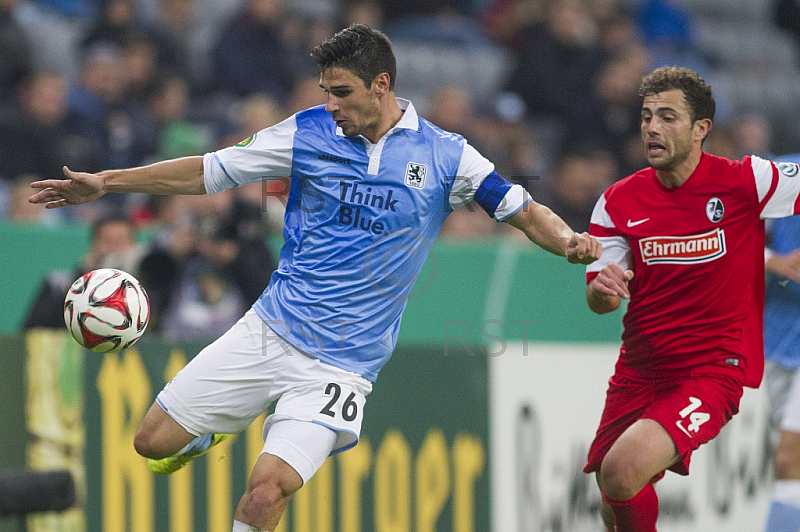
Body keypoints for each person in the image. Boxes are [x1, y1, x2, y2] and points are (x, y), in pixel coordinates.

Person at [29, 24, 601, 531]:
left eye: (342, 92)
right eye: (326, 91)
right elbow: (208, 172)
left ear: (382, 85)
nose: (331, 104)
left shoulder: (448, 156)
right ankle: (209, 431)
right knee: (150, 442)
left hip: (342, 366)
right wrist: (108, 182)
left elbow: (523, 210)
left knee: (266, 488)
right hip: (269, 330)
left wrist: (571, 242)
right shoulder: (306, 133)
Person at [584, 66, 800, 532]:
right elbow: (599, 299)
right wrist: (603, 289)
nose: (652, 128)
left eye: (668, 117)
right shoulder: (618, 202)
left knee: (621, 472)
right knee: (612, 492)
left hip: (711, 371)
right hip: (639, 370)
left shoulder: (748, 181)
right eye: (646, 117)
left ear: (702, 128)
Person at [761, 155, 800, 532]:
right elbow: (720, 232)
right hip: (776, 337)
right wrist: (771, 259)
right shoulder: (780, 173)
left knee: (788, 461)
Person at [24, 214, 144, 328]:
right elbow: (34, 328)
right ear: (93, 245)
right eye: (107, 241)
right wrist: (81, 278)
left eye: (120, 242)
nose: (113, 250)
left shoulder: (143, 289)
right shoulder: (59, 284)